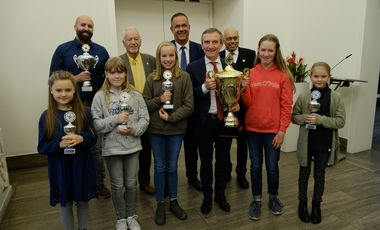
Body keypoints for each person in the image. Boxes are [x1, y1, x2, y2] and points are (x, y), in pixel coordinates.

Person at [49, 15, 111, 198]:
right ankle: (77, 182)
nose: (86, 28)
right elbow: (52, 79)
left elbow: (108, 78)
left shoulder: (101, 51)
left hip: (96, 106)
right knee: (72, 145)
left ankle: (99, 182)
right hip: (70, 109)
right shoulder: (63, 50)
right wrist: (75, 79)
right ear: (75, 26)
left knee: (96, 147)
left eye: (90, 25)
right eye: (83, 24)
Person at [91, 57, 149, 230]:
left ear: (125, 74)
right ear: (106, 74)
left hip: (132, 147)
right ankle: (120, 219)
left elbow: (145, 118)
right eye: (112, 72)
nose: (116, 76)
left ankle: (131, 216)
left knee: (131, 184)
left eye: (120, 72)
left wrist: (132, 129)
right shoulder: (100, 97)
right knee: (117, 185)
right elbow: (97, 124)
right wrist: (116, 119)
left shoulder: (135, 95)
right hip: (112, 149)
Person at [241, 34, 294, 221]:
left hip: (273, 131)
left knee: (272, 167)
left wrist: (282, 130)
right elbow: (247, 103)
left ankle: (273, 197)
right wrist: (244, 88)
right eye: (263, 50)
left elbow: (287, 105)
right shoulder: (250, 73)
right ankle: (256, 200)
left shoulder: (283, 75)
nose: (266, 53)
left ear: (275, 51)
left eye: (270, 50)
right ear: (258, 50)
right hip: (253, 130)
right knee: (255, 166)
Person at [187, 28, 239, 215]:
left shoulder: (229, 66)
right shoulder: (193, 67)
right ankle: (207, 197)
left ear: (221, 44)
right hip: (204, 123)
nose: (210, 46)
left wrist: (236, 103)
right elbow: (188, 96)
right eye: (207, 42)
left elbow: (236, 92)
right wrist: (203, 87)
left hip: (224, 120)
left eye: (214, 42)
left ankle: (220, 195)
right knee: (206, 162)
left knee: (224, 161)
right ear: (201, 45)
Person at [38, 70, 97, 230]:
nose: (63, 94)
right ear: (51, 90)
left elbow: (93, 139)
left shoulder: (85, 112)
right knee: (65, 202)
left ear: (74, 90)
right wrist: (59, 144)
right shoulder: (46, 117)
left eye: (68, 90)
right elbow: (42, 147)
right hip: (60, 167)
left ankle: (83, 227)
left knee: (83, 200)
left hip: (81, 164)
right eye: (58, 90)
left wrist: (82, 138)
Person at [142, 41, 193, 225]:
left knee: (172, 167)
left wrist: (171, 118)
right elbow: (144, 104)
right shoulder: (151, 78)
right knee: (160, 167)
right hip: (156, 130)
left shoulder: (184, 77)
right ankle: (160, 204)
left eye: (171, 55)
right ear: (158, 57)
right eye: (164, 56)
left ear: (176, 57)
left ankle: (173, 201)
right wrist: (160, 99)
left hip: (176, 130)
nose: (168, 59)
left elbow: (189, 106)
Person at [292, 62, 345, 224]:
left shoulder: (336, 97)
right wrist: (304, 118)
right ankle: (302, 204)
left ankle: (316, 205)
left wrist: (320, 119)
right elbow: (294, 116)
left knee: (319, 176)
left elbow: (340, 121)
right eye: (316, 76)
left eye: (323, 76)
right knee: (303, 175)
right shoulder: (304, 96)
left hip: (324, 143)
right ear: (310, 77)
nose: (319, 79)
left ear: (329, 77)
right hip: (306, 143)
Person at [119, 27, 156, 195]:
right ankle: (128, 185)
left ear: (140, 41)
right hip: (128, 114)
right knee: (128, 152)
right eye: (129, 39)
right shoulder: (118, 61)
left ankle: (145, 182)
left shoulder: (151, 60)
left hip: (148, 114)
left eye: (136, 39)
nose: (133, 42)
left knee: (146, 152)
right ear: (124, 43)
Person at [170, 12, 204, 191]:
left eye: (184, 25)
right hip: (172, 108)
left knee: (192, 145)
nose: (181, 29)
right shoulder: (166, 49)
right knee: (171, 149)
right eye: (177, 26)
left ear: (189, 28)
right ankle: (169, 180)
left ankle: (192, 176)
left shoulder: (200, 49)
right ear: (172, 29)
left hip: (195, 107)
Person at [220, 27, 256, 189]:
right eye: (229, 38)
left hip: (244, 109)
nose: (232, 41)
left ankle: (241, 174)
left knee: (243, 144)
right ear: (223, 40)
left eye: (235, 37)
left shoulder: (250, 54)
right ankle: (226, 171)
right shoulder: (219, 57)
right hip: (226, 108)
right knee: (225, 143)